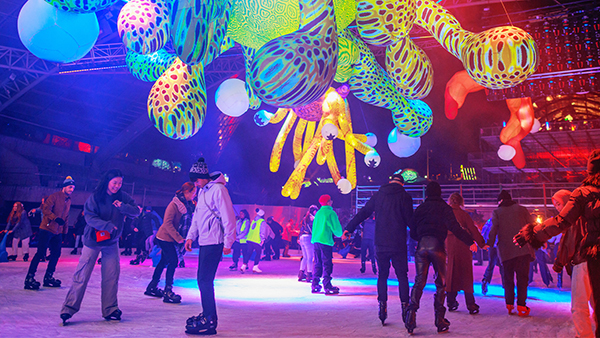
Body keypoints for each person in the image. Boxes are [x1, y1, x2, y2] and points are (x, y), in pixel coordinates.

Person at [515, 150, 600, 338]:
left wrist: (530, 234)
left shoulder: (582, 194)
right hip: (587, 258)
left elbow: (560, 222)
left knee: (579, 305)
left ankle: (584, 335)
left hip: (588, 257)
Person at [60, 169, 140, 325]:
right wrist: (107, 226)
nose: (117, 186)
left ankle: (110, 309)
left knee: (111, 276)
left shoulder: (123, 197)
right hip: (93, 241)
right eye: (114, 183)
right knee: (82, 275)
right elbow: (89, 217)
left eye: (120, 183)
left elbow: (136, 211)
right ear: (107, 182)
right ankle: (68, 308)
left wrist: (123, 207)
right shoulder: (96, 197)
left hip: (111, 243)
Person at [344, 172, 413, 325]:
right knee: (402, 276)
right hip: (398, 243)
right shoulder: (405, 197)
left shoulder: (379, 195)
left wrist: (349, 227)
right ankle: (405, 308)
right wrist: (420, 236)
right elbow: (410, 221)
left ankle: (382, 307)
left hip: (381, 242)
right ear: (402, 184)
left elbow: (363, 213)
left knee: (382, 275)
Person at [405, 182, 474, 334]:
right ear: (440, 193)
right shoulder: (444, 207)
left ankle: (410, 315)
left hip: (422, 245)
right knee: (440, 284)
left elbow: (411, 226)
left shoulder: (421, 208)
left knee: (419, 281)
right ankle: (439, 320)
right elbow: (455, 228)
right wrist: (470, 241)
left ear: (427, 194)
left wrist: (419, 236)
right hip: (438, 247)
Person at [184, 158, 236, 335]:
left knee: (205, 280)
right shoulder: (202, 192)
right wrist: (191, 236)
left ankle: (210, 319)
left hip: (215, 241)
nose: (195, 184)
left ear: (204, 177)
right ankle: (208, 315)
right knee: (202, 280)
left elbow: (229, 216)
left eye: (197, 180)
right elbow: (197, 217)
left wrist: (229, 241)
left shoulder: (219, 190)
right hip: (205, 241)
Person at [550, 189, 594, 338]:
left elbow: (566, 243)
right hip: (593, 261)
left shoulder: (572, 219)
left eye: (559, 204)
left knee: (579, 305)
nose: (557, 208)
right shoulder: (586, 214)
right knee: (595, 302)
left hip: (581, 263)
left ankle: (584, 335)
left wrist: (558, 263)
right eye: (555, 205)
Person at [145, 182, 196, 304]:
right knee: (173, 261)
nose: (194, 195)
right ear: (187, 192)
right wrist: (178, 238)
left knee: (164, 261)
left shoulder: (187, 205)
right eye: (193, 193)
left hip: (171, 238)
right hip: (165, 237)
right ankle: (168, 291)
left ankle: (152, 286)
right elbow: (167, 223)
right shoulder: (174, 204)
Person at [487, 190, 534, 317]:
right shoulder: (522, 209)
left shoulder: (497, 212)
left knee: (508, 279)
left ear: (500, 201)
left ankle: (509, 304)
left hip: (506, 251)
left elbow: (494, 228)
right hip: (522, 249)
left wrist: (489, 243)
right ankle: (521, 306)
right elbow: (531, 226)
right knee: (522, 279)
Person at [24, 176, 75, 290]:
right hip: (46, 229)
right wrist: (55, 218)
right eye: (70, 187)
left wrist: (65, 231)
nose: (72, 189)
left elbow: (66, 216)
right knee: (41, 253)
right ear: (64, 186)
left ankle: (48, 277)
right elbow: (45, 210)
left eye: (73, 187)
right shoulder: (54, 196)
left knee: (56, 254)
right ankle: (29, 278)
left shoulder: (69, 200)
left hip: (58, 232)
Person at [445, 193, 488, 315]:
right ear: (460, 203)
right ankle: (471, 304)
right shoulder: (464, 215)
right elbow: (473, 230)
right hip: (463, 245)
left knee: (451, 272)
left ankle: (451, 302)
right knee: (465, 273)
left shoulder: (445, 214)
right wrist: (481, 244)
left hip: (450, 245)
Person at [311, 194, 343, 295]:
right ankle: (327, 285)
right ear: (329, 202)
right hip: (325, 241)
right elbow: (337, 230)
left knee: (317, 262)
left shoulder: (319, 213)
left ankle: (315, 284)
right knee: (327, 263)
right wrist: (340, 234)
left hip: (316, 240)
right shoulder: (330, 213)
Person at [241, 208, 273, 273]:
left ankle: (244, 265)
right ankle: (255, 267)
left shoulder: (254, 220)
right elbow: (262, 231)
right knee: (258, 253)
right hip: (257, 239)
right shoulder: (262, 221)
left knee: (249, 253)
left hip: (250, 239)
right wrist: (262, 239)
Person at [481, 218, 504, 295]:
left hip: (491, 244)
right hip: (500, 245)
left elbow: (484, 230)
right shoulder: (504, 219)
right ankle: (506, 285)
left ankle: (485, 280)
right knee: (502, 265)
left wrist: (484, 242)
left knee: (491, 264)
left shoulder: (490, 220)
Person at [298, 205, 317, 282]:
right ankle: (309, 274)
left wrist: (299, 237)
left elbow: (301, 228)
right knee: (309, 257)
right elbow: (314, 229)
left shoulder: (305, 217)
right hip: (308, 237)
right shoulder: (312, 218)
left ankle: (301, 273)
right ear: (314, 211)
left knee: (305, 257)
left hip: (302, 237)